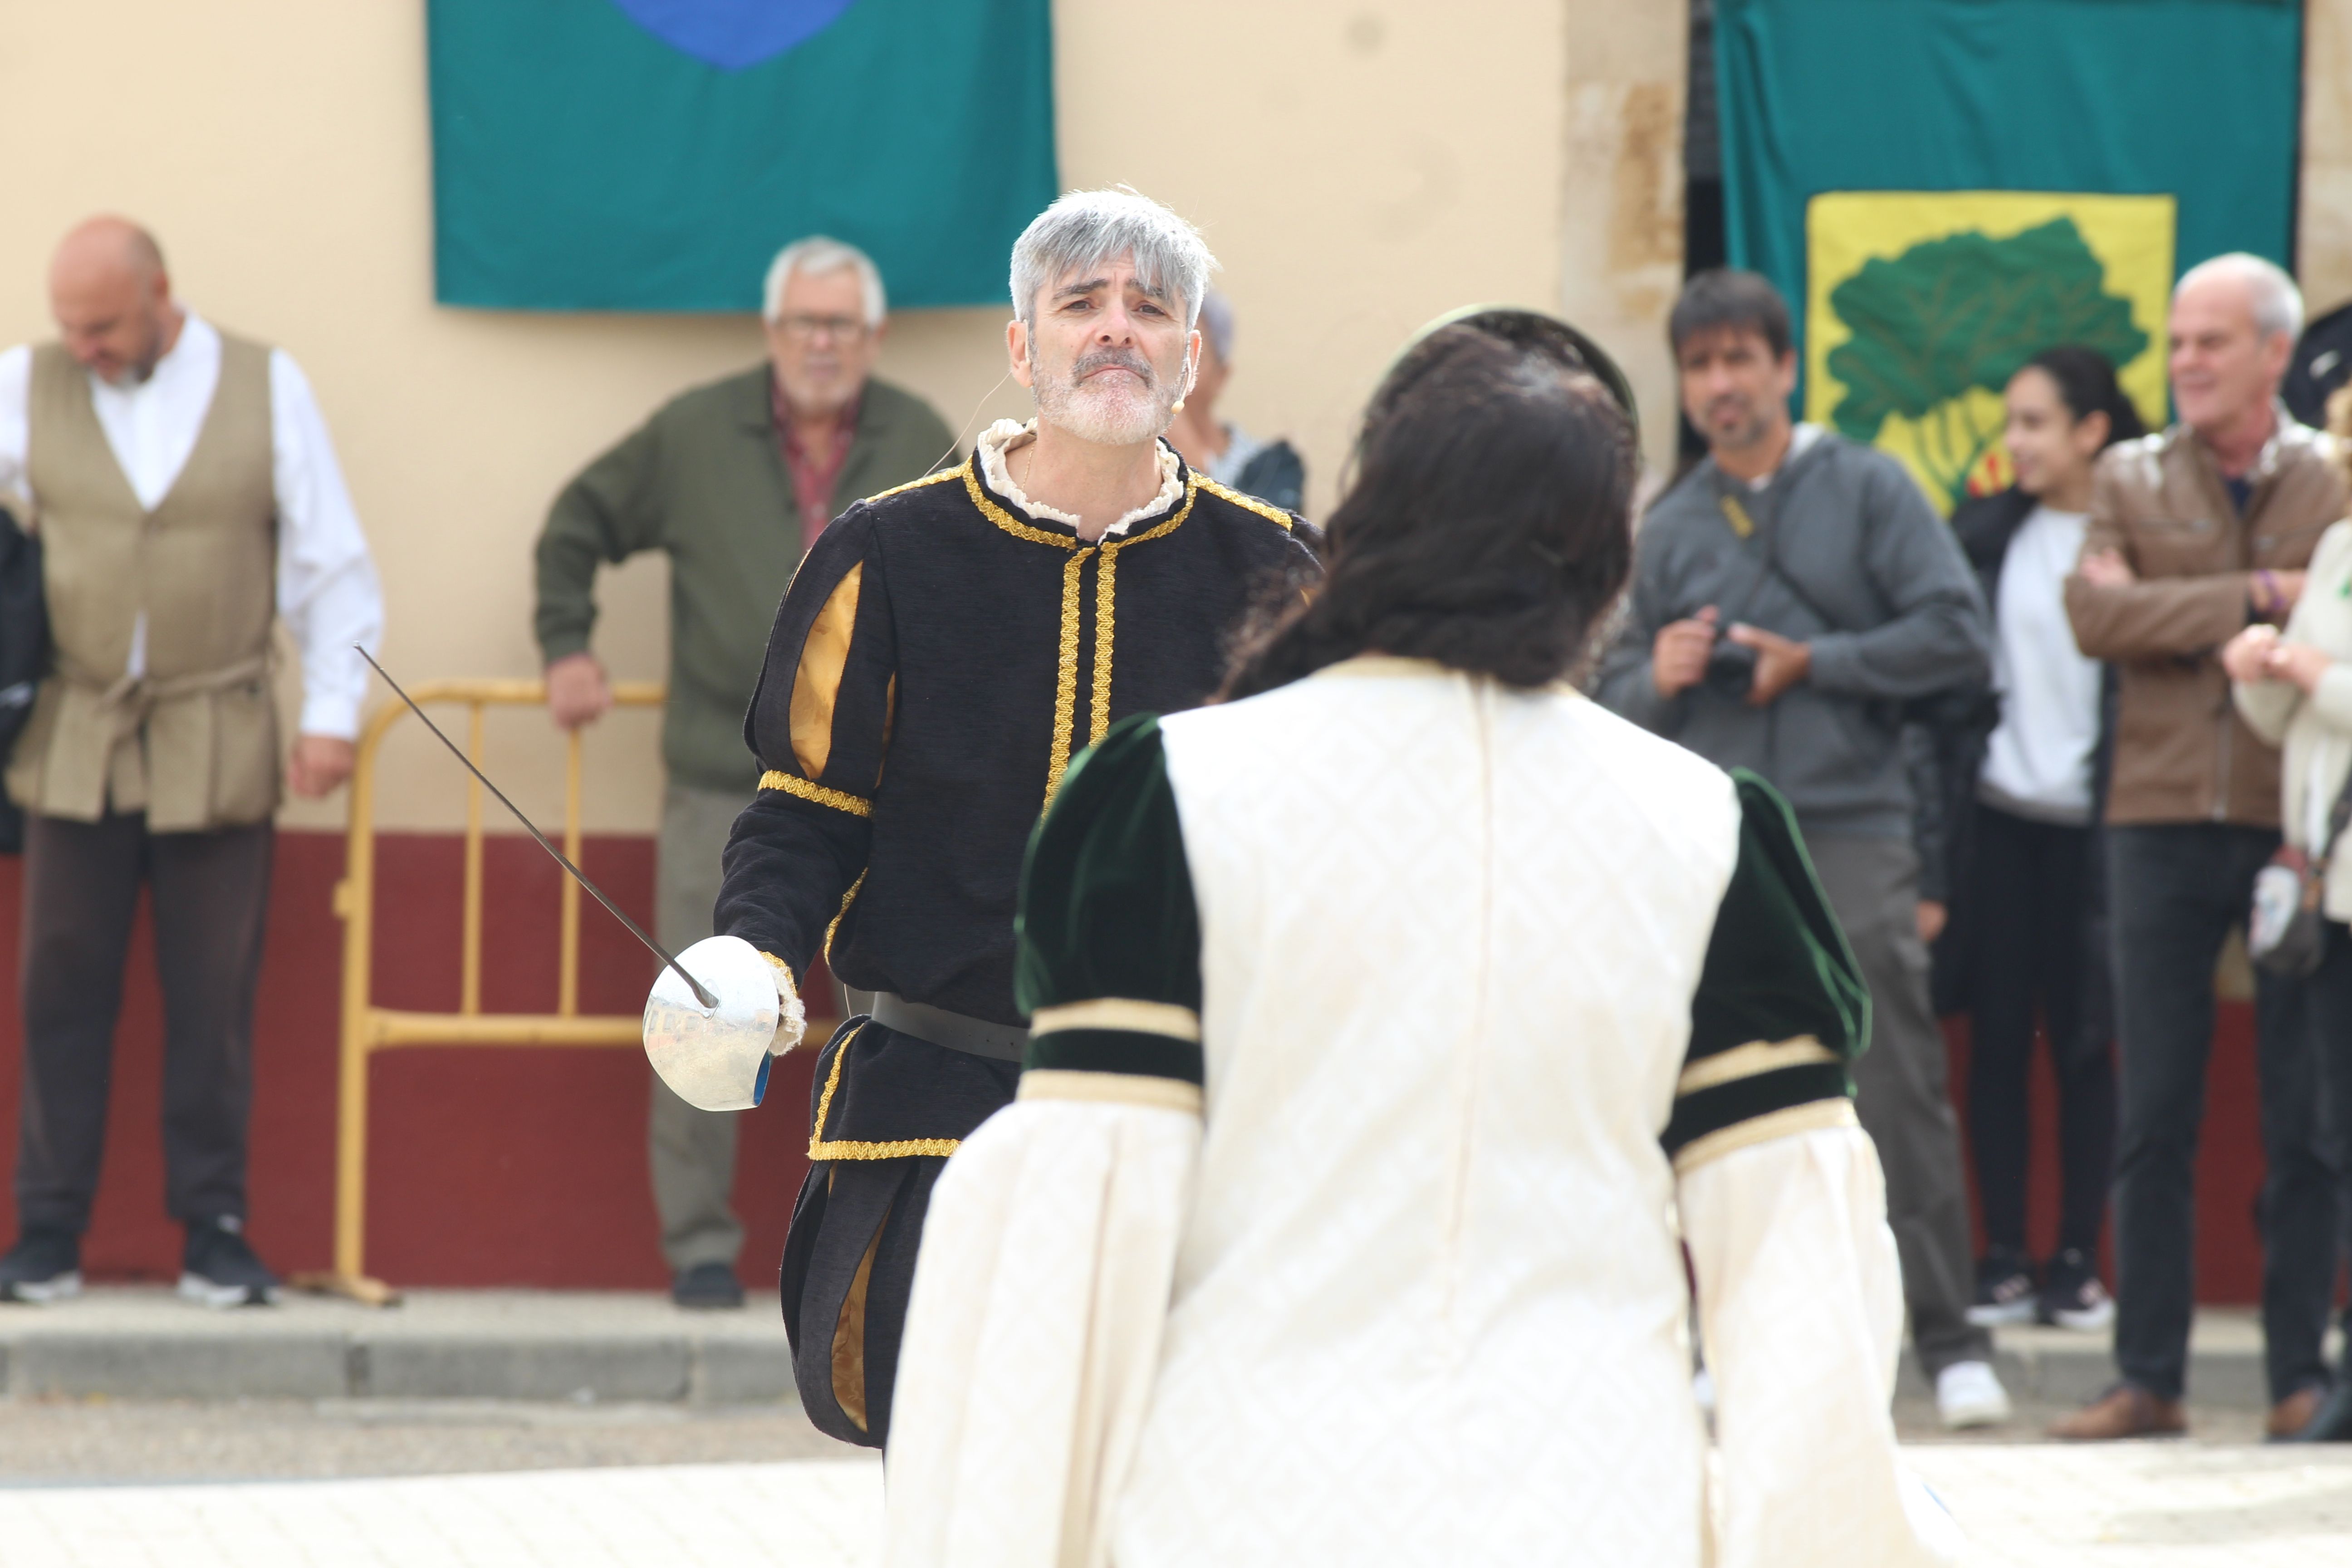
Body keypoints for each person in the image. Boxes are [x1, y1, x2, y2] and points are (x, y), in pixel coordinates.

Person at [881, 314, 1960, 1567]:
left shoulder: (1164, 799)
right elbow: (1801, 1283)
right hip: (1597, 1504)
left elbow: (1074, 1251)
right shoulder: (1713, 835)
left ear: (1366, 521)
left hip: (1243, 1503)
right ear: (1610, 557)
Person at [710, 189, 1315, 1446]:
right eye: (1081, 304)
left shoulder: (1278, 580)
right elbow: (809, 809)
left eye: (1151, 310)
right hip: (934, 1114)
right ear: (1022, 345)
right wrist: (753, 949)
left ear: (1190, 356)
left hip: (1190, 1128)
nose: (1117, 332)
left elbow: (1329, 853)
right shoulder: (887, 554)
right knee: (955, 1488)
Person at [1593, 268, 2007, 1430]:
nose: (1721, 386)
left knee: (1896, 1083)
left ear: (1784, 366)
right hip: (1714, 838)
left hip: (1853, 828)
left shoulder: (1870, 488)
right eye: (1700, 365)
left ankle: (1949, 1337)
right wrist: (1657, 675)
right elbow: (1599, 695)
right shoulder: (1667, 522)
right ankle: (1730, 1330)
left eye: (1740, 360)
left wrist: (1812, 663)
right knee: (1718, 1090)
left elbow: (1953, 637)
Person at [534, 236, 953, 1309]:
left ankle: (883, 1234)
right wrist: (567, 642)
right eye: (804, 324)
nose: (823, 344)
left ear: (875, 337)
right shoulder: (693, 430)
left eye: (843, 326)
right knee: (703, 1008)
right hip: (720, 782)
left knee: (887, 1022)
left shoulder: (919, 435)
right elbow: (575, 522)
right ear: (771, 332)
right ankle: (701, 1247)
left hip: (884, 794)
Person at [0, 217, 383, 1306]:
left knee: (212, 994)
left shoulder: (268, 386)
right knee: (59, 985)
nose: (85, 346)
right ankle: (47, 1229)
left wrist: (332, 715)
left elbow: (333, 567)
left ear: (161, 292)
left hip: (219, 729)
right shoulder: (27, 383)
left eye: (105, 324)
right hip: (77, 735)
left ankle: (214, 1228)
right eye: (69, 325)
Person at [2058, 253, 2347, 1442]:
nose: (2185, 365)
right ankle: (2150, 1377)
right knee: (2156, 1106)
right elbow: (2094, 617)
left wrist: (2170, 604)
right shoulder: (2129, 474)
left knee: (2304, 1112)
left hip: (2294, 831)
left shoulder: (2331, 481)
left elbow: (2151, 614)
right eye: (2177, 342)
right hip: (2156, 823)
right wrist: (2254, 595)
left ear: (2276, 353)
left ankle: (2297, 1373)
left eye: (2211, 343)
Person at [1926, 348, 2141, 1333]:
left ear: (2091, 430)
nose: (2016, 443)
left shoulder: (2139, 539)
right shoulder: (1985, 537)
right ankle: (2002, 1256)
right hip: (2002, 826)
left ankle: (2075, 1263)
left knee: (2089, 1043)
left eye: (2035, 424)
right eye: (2011, 423)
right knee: (2002, 1040)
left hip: (2101, 831)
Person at [2225, 383, 2352, 1444]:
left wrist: (2313, 668)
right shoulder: (2338, 549)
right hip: (2325, 880)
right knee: (2326, 1124)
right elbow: (2290, 718)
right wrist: (2258, 669)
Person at [1163, 290, 1306, 511]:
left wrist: (1191, 468)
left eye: (1188, 355)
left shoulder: (1273, 466)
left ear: (1222, 376)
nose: (1171, 372)